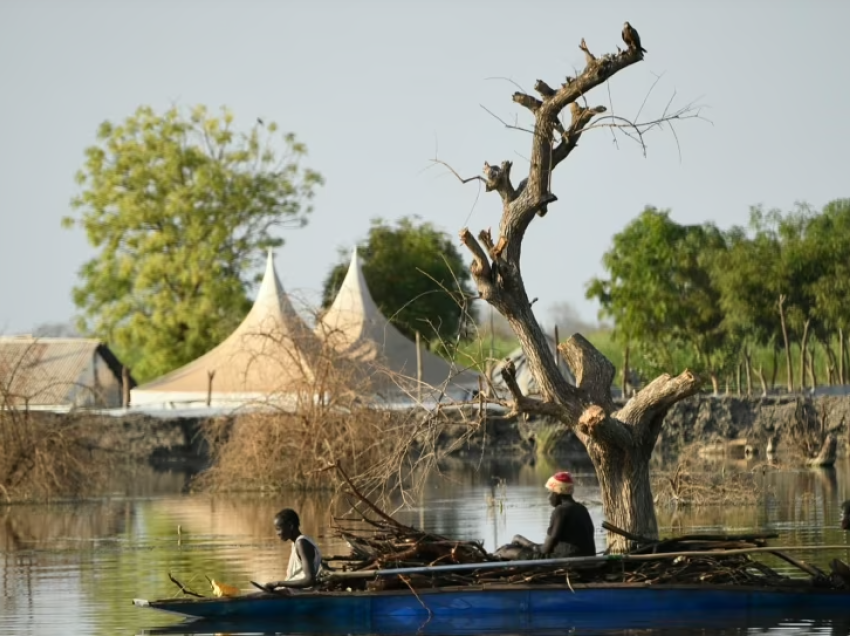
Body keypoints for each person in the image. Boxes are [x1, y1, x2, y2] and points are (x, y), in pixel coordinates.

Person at [494, 471, 596, 560]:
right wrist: (521, 540)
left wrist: (523, 541)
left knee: (505, 550)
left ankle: (494, 556)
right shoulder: (582, 509)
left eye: (549, 493)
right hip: (588, 561)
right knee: (516, 541)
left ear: (557, 493)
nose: (548, 497)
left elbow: (544, 550)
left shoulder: (560, 511)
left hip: (567, 562)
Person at [259, 508, 323, 593]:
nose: (277, 533)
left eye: (278, 529)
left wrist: (278, 583)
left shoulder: (302, 543)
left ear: (290, 526)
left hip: (302, 594)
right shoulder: (298, 543)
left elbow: (309, 580)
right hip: (295, 593)